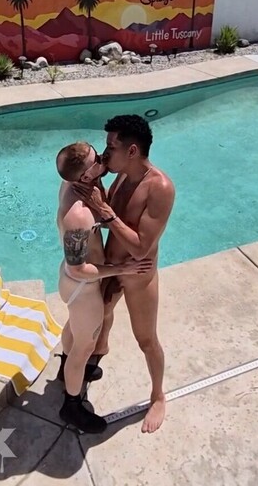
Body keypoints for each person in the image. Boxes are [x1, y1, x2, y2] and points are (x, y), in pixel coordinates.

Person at [73, 114, 175, 434]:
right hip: (114, 269)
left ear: (131, 151)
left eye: (110, 148)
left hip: (137, 276)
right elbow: (108, 214)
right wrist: (96, 176)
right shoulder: (122, 177)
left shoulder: (159, 188)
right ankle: (101, 349)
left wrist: (106, 212)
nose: (105, 154)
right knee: (102, 313)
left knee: (146, 340)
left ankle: (158, 396)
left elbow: (141, 248)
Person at [54, 141, 153, 434]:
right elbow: (78, 268)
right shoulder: (78, 214)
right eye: (97, 158)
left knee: (75, 328)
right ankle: (71, 406)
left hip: (76, 284)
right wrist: (122, 269)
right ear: (85, 175)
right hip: (82, 286)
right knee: (84, 346)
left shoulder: (82, 186)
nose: (103, 157)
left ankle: (65, 371)